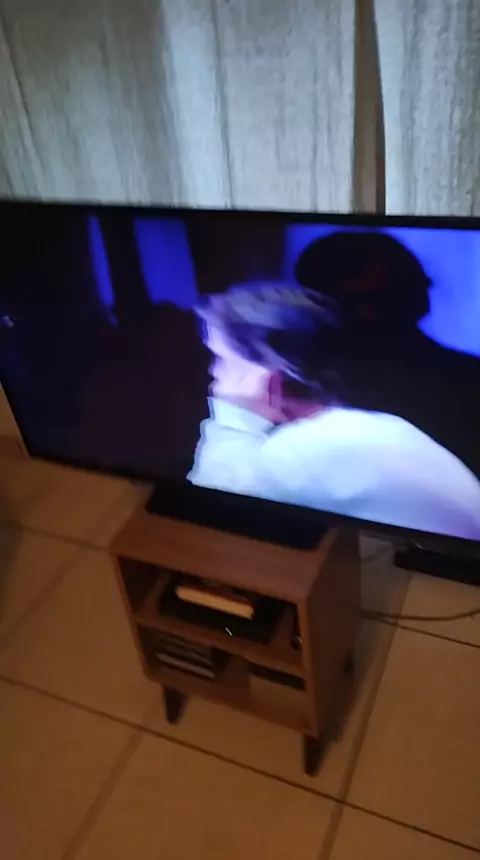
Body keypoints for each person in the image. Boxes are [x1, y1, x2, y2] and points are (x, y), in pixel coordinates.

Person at [188, 282, 480, 541]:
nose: (214, 373)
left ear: (270, 379)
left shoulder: (302, 450)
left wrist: (233, 419)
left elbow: (209, 515)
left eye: (222, 360)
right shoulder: (376, 427)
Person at [295, 230, 480, 474]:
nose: (368, 315)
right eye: (349, 303)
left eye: (384, 299)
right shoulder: (289, 380)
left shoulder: (470, 382)